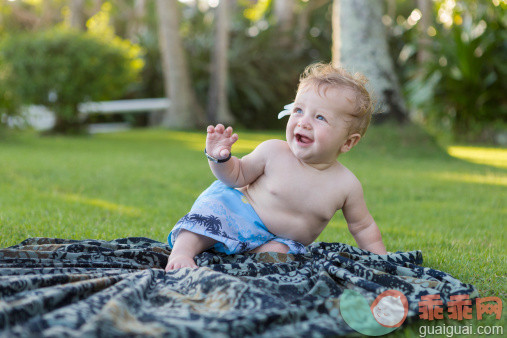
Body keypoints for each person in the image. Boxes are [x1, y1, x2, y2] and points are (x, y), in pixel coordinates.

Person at [165, 62, 387, 271]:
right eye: (298, 110)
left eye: (320, 117)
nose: (303, 122)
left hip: (278, 240)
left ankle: (245, 259)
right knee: (207, 222)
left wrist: (382, 262)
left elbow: (363, 227)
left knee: (283, 256)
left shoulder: (346, 185)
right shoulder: (273, 152)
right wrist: (219, 159)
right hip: (236, 211)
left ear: (348, 142)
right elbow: (236, 175)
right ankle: (182, 254)